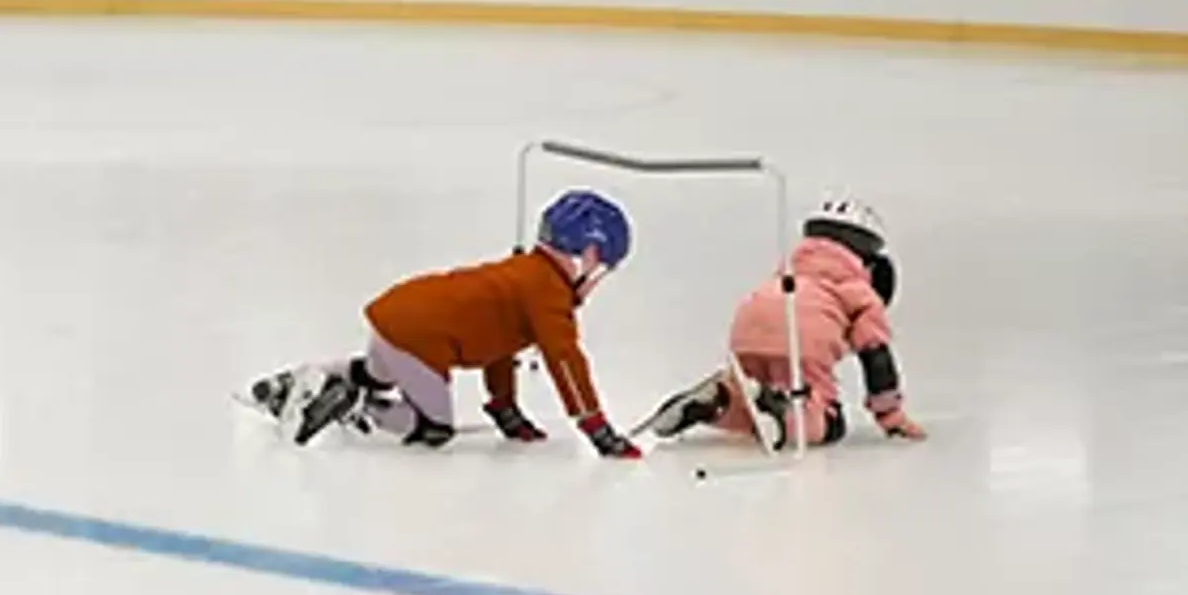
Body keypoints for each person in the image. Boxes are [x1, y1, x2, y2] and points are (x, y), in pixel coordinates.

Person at [251, 190, 643, 457]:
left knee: (374, 372)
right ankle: (357, 406)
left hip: (398, 316)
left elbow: (501, 345)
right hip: (420, 339)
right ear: (589, 255)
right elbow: (564, 360)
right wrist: (596, 429)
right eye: (601, 271)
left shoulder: (525, 273)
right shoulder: (548, 294)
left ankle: (297, 380)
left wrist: (504, 408)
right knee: (432, 427)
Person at [640, 196, 928, 449]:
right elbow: (876, 357)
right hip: (802, 339)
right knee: (824, 420)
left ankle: (720, 402)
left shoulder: (789, 270)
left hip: (748, 324)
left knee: (754, 407)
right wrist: (891, 417)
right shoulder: (859, 290)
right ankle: (787, 412)